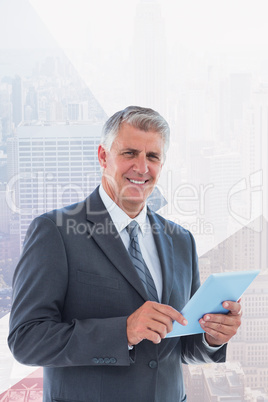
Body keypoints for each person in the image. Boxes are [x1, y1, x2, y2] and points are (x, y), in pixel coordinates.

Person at [8, 106, 242, 402]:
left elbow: (182, 348)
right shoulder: (56, 231)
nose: (142, 168)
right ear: (103, 156)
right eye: (130, 153)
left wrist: (212, 337)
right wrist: (123, 332)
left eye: (153, 157)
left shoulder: (181, 240)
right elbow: (26, 340)